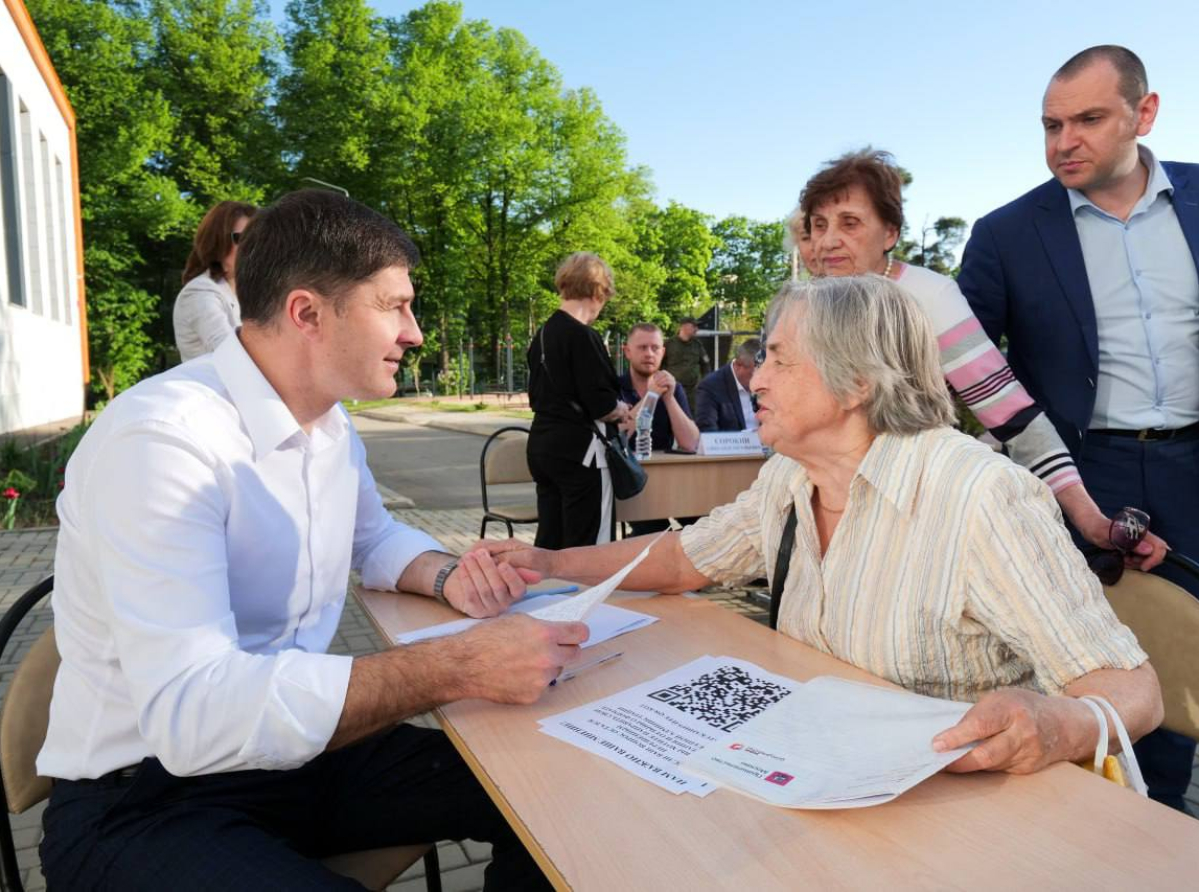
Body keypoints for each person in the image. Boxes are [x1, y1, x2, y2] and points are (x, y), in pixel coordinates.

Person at [38, 190, 587, 890]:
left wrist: (448, 576)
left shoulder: (328, 427)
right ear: (307, 313)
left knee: (545, 784)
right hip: (144, 798)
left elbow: (373, 536)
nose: (415, 333)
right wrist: (456, 666)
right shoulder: (164, 441)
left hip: (287, 759)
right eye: (394, 306)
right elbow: (193, 715)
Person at [487, 276, 1163, 777]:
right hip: (821, 776)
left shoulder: (977, 496)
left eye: (780, 358)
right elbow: (688, 559)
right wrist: (547, 566)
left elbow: (1133, 691)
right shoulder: (792, 476)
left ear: (857, 381)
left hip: (950, 810)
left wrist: (1058, 725)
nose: (756, 379)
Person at [956, 45, 1199, 812]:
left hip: (1195, 463)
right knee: (1115, 675)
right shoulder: (1005, 235)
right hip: (1083, 481)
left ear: (1144, 113)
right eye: (1052, 124)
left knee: (1191, 672)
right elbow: (953, 366)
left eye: (1089, 119)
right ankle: (1128, 834)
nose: (1065, 141)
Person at [794, 147, 1167, 571]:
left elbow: (1013, 415)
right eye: (819, 225)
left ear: (890, 233)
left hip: (901, 516)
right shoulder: (799, 307)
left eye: (850, 223)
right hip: (811, 501)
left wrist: (1088, 518)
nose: (828, 241)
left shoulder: (929, 298)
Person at [526, 252, 630, 549]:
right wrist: (620, 409)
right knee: (588, 543)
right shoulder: (583, 336)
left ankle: (548, 594)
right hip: (580, 452)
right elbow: (602, 404)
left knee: (550, 540)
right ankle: (589, 596)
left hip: (542, 446)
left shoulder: (543, 333)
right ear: (599, 292)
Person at [617, 322, 701, 535]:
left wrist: (669, 398)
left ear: (663, 352)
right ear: (627, 351)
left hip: (667, 481)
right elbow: (620, 434)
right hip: (629, 483)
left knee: (703, 519)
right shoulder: (614, 386)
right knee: (653, 529)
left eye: (655, 348)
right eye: (642, 347)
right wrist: (650, 395)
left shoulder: (674, 387)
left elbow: (691, 443)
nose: (649, 354)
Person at [173, 200, 256, 362]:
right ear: (216, 242)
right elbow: (231, 352)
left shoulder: (248, 292)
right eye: (242, 238)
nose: (252, 247)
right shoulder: (199, 292)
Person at [695, 338, 762, 433]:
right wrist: (748, 439)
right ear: (739, 366)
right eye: (757, 374)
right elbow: (708, 434)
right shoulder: (710, 387)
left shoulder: (769, 385)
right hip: (733, 447)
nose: (763, 379)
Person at [662, 316, 709, 409]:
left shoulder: (697, 345)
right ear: (684, 326)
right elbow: (659, 365)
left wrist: (704, 383)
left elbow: (706, 365)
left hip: (692, 392)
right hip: (672, 390)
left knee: (692, 417)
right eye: (694, 326)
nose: (697, 329)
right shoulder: (669, 344)